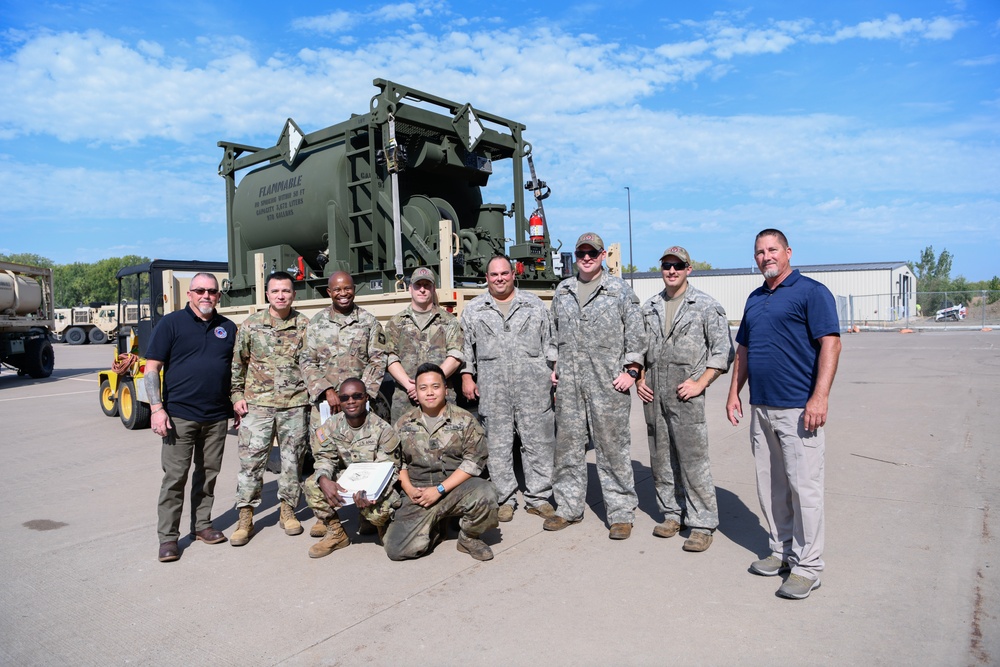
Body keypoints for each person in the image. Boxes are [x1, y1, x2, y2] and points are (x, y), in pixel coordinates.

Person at [726, 229, 842, 600]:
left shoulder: (811, 292)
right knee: (771, 486)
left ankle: (808, 567)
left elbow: (831, 343)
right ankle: (781, 551)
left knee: (804, 488)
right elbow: (743, 350)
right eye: (759, 252)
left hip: (798, 409)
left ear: (788, 252)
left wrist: (819, 398)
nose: (765, 257)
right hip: (761, 408)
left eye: (772, 249)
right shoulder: (755, 298)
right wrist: (734, 394)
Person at [544, 232, 645, 540]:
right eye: (581, 253)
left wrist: (632, 370)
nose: (586, 258)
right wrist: (555, 365)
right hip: (571, 385)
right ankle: (568, 508)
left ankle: (620, 513)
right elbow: (553, 333)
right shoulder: (563, 291)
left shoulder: (618, 290)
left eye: (592, 253)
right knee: (568, 449)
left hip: (608, 384)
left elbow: (637, 333)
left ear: (602, 256)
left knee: (612, 448)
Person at [637, 246, 734, 552]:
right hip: (654, 394)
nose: (672, 271)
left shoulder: (705, 306)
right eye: (667, 265)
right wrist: (639, 379)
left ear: (689, 269)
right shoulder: (649, 307)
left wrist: (700, 383)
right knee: (660, 456)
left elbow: (722, 352)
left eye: (678, 266)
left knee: (693, 459)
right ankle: (672, 513)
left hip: (686, 396)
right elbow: (636, 349)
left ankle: (702, 522)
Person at [145, 272, 237, 563]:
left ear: (218, 295)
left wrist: (236, 404)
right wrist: (157, 409)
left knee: (208, 475)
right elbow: (151, 369)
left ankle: (202, 526)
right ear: (189, 294)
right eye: (200, 290)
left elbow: (235, 371)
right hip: (179, 416)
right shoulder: (171, 323)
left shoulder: (228, 327)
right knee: (175, 478)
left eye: (211, 291)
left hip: (216, 417)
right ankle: (168, 538)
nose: (206, 296)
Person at [461, 255, 557, 522]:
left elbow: (550, 341)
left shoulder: (534, 305)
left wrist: (554, 371)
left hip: (534, 385)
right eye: (494, 275)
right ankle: (504, 498)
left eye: (504, 273)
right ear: (487, 278)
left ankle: (538, 497)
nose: (499, 279)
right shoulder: (475, 309)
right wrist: (467, 376)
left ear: (513, 274)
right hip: (493, 388)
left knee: (538, 443)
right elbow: (465, 347)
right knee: (498, 446)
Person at [300, 271, 389, 536]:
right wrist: (327, 389)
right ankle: (326, 515)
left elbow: (378, 358)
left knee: (363, 459)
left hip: (359, 405)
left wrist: (363, 396)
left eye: (347, 288)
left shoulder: (368, 321)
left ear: (354, 290)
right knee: (326, 457)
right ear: (329, 292)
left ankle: (365, 513)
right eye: (337, 289)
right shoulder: (316, 323)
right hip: (327, 406)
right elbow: (306, 361)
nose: (343, 293)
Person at [383, 363, 499, 561]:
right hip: (417, 491)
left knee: (486, 493)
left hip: (453, 488)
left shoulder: (464, 420)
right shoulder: (403, 423)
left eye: (435, 387)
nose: (430, 393)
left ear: (445, 389)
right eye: (423, 388)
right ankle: (436, 528)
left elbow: (474, 462)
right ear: (416, 393)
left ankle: (468, 537)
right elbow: (397, 462)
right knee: (397, 550)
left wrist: (439, 490)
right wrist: (410, 490)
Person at [229, 271, 311, 546]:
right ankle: (245, 517)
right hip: (258, 405)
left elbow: (312, 364)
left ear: (293, 294)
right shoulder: (251, 325)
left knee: (292, 462)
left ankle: (287, 511)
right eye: (275, 291)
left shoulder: (304, 325)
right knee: (251, 464)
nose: (280, 295)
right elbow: (238, 363)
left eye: (286, 291)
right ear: (267, 294)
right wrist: (236, 395)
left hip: (294, 404)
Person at [303, 378, 402, 558]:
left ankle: (376, 522)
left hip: (375, 486)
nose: (351, 401)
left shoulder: (383, 430)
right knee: (313, 484)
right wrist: (324, 479)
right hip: (349, 479)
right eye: (345, 397)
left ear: (366, 398)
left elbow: (390, 471)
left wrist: (371, 493)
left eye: (357, 396)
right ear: (339, 400)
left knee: (381, 515)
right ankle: (336, 534)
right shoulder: (331, 426)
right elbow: (325, 457)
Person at [384, 266, 464, 425]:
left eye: (427, 285)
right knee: (404, 446)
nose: (422, 290)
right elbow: (389, 358)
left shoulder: (449, 321)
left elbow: (455, 356)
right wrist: (410, 385)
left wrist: (427, 386)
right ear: (410, 289)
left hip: (441, 399)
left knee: (446, 444)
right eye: (417, 285)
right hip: (406, 398)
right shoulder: (396, 323)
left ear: (433, 289)